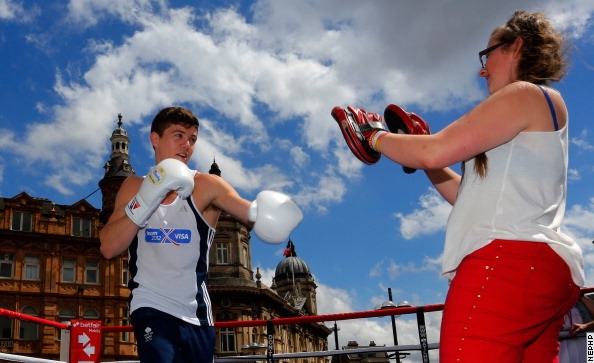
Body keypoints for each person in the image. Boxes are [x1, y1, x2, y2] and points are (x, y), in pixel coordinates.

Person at [332, 10, 584, 363]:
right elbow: (466, 194)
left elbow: (433, 151)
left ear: (516, 48)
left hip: (507, 265)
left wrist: (373, 136)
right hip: (544, 272)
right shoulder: (532, 112)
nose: (482, 70)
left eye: (488, 55)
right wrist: (421, 158)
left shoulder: (526, 94)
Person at [99, 106, 303, 363]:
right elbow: (108, 246)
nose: (186, 145)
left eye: (192, 139)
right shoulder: (133, 187)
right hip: (150, 305)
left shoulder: (207, 186)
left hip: (197, 310)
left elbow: (250, 213)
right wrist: (147, 198)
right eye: (178, 135)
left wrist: (272, 213)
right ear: (155, 139)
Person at [559, 295, 594, 362]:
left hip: (589, 341)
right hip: (563, 346)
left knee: (591, 360)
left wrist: (586, 326)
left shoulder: (581, 297)